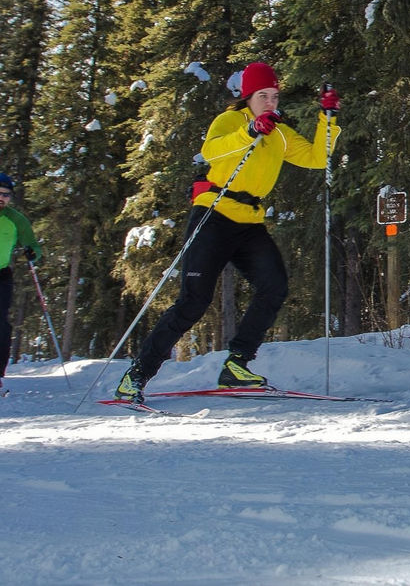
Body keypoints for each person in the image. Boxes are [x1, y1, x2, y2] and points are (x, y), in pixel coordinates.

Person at [115, 62, 341, 402]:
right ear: (247, 97)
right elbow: (212, 151)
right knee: (193, 302)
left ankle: (237, 364)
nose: (270, 103)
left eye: (274, 96)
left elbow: (317, 157)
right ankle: (136, 375)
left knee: (274, 286)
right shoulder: (230, 121)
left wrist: (328, 118)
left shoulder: (279, 132)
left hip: (249, 222)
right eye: (263, 96)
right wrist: (251, 130)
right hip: (214, 215)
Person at [0, 173, 42, 390]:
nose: (1, 198)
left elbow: (33, 245)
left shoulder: (16, 219)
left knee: (1, 323)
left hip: (1, 274)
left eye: (6, 194)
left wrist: (32, 252)